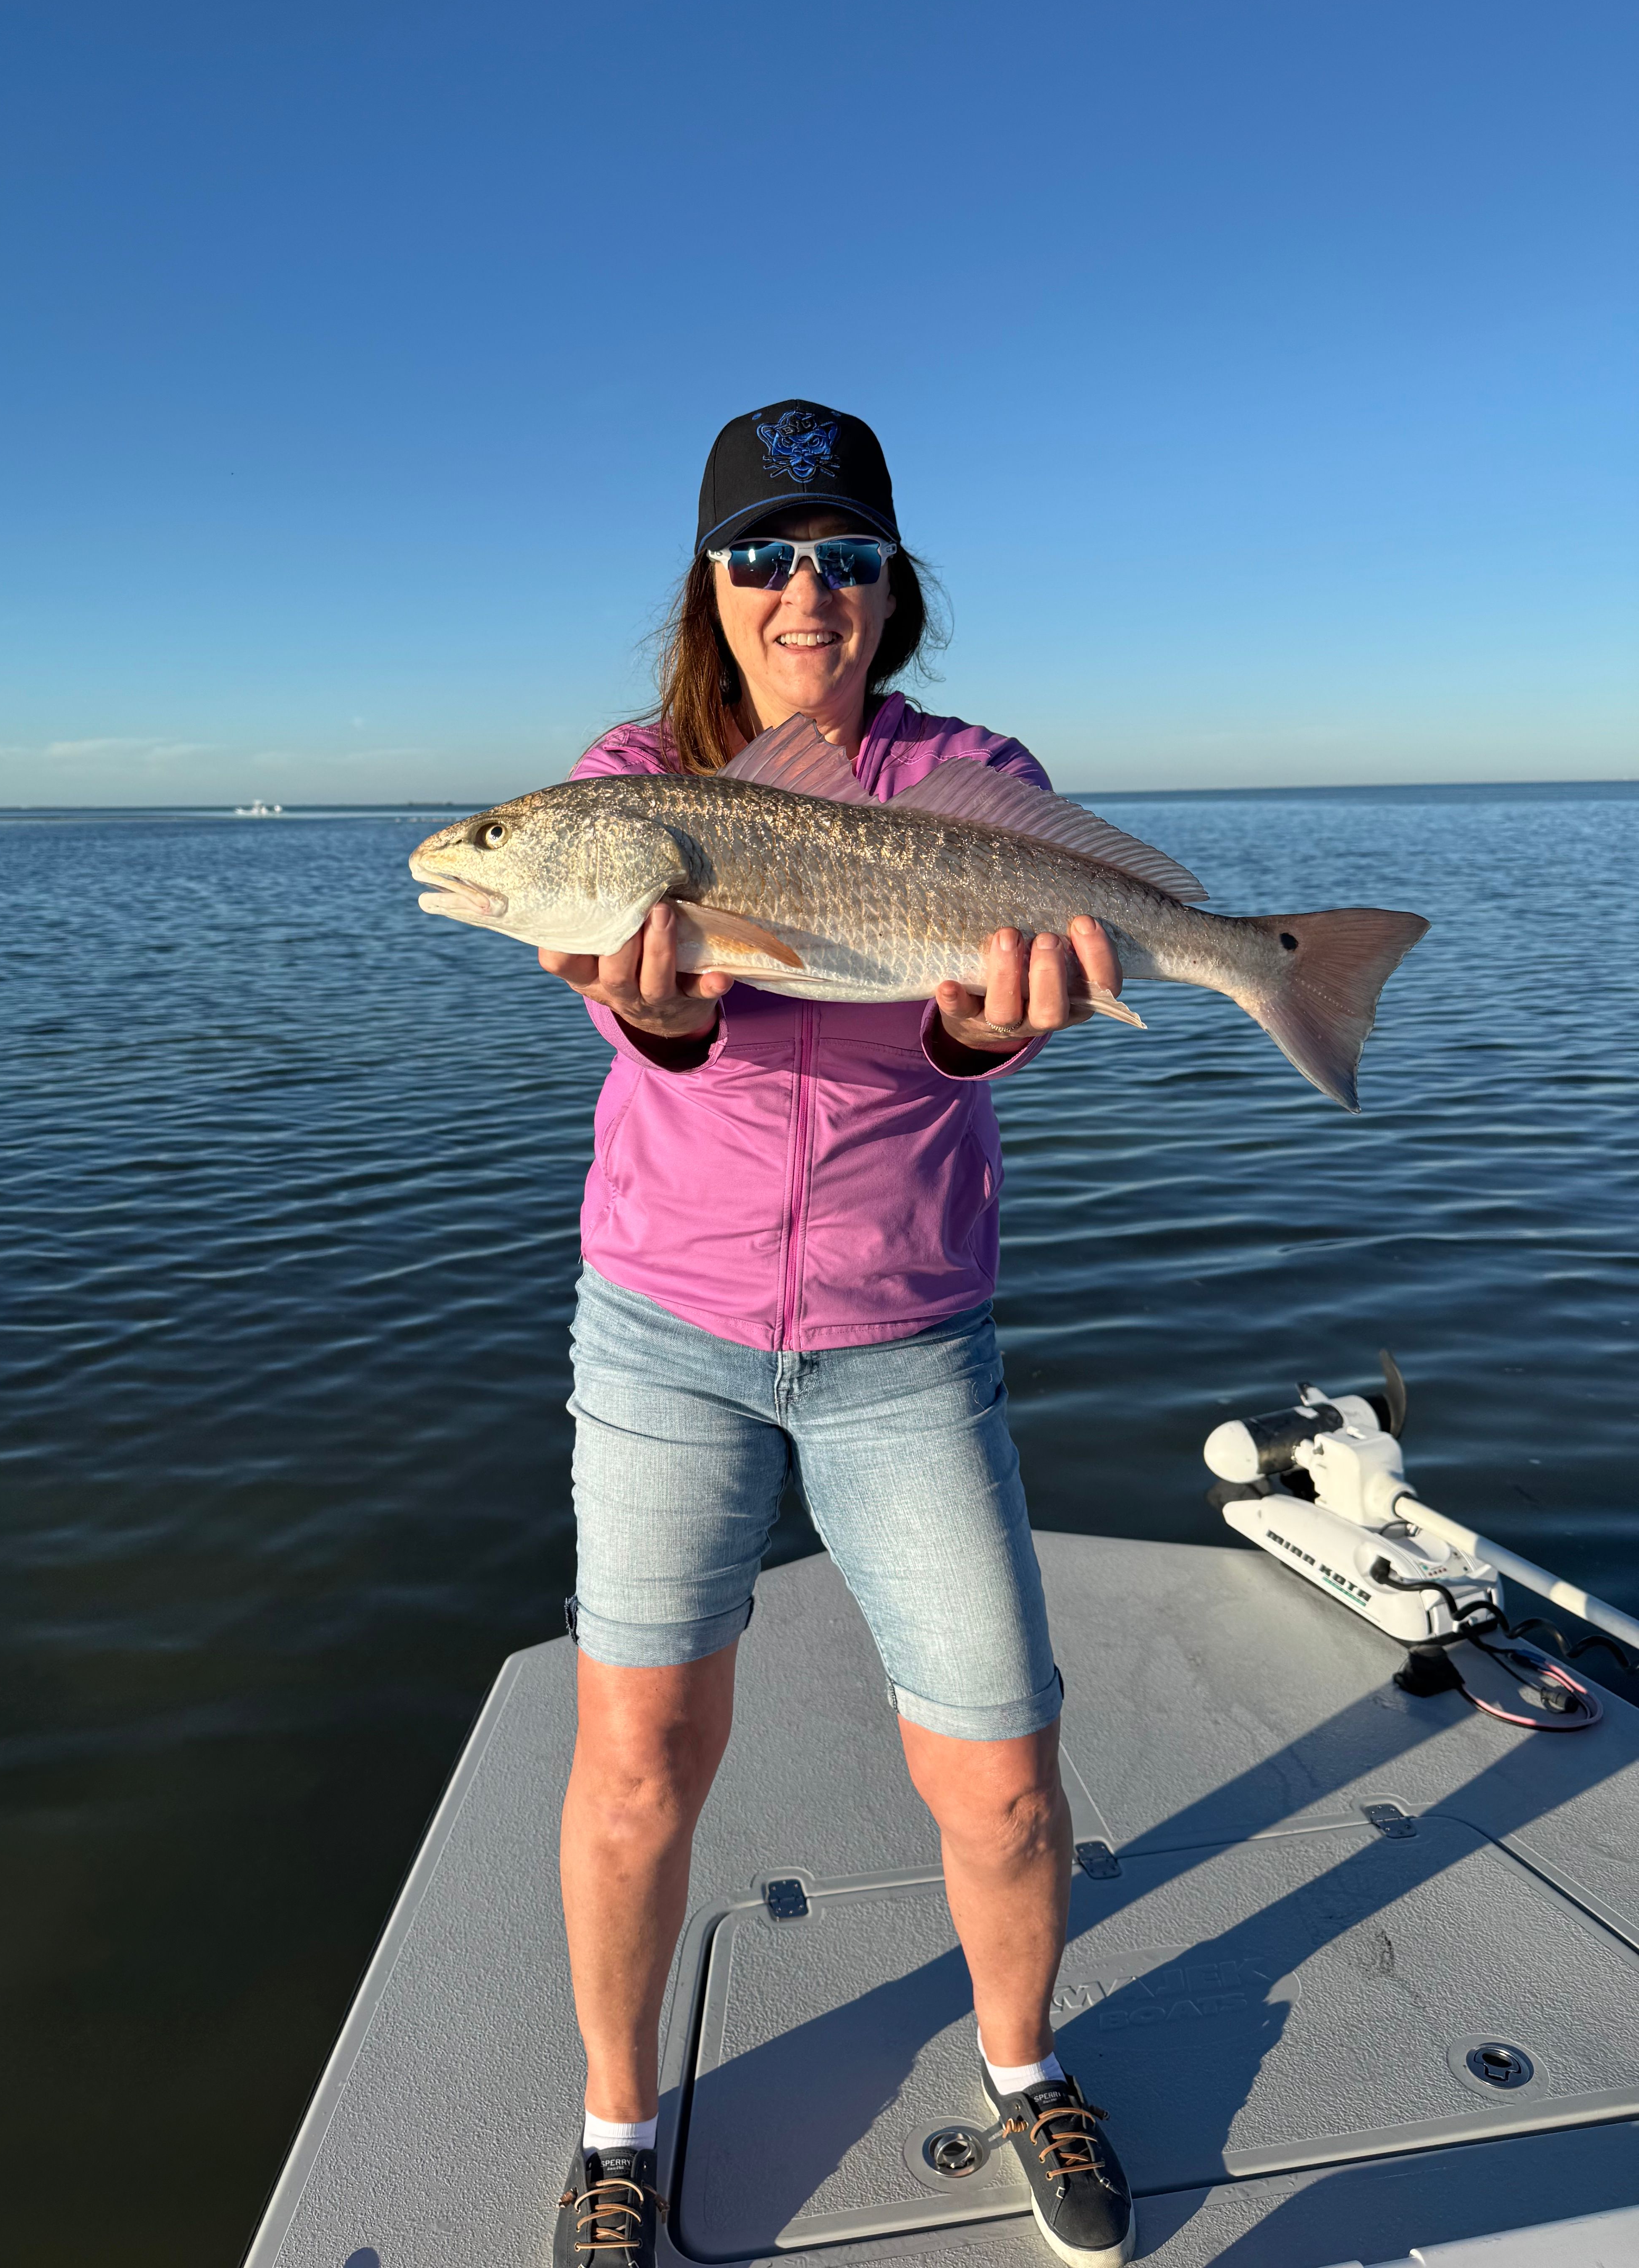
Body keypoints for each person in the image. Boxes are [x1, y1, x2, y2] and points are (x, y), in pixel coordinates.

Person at [543, 403, 1135, 2268]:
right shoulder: (629, 790)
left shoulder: (973, 773)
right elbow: (662, 1035)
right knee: (638, 1757)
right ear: (708, 584)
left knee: (1006, 1760)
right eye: (770, 553)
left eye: (849, 555)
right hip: (665, 1334)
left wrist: (986, 1029)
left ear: (895, 585)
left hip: (908, 1336)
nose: (811, 589)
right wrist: (653, 1009)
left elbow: (972, 1037)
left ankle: (1025, 2066)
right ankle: (619, 2124)